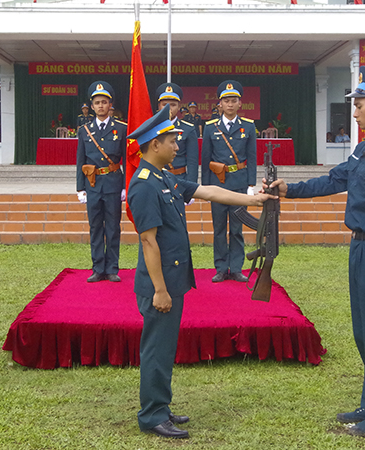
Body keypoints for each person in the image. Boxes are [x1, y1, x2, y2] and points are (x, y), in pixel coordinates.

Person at [268, 67, 365, 438]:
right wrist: (289, 189)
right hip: (359, 247)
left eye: (360, 104)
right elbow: (335, 180)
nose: (354, 111)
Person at [126, 104, 274, 440]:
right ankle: (151, 415)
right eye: (171, 142)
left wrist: (251, 200)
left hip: (173, 278)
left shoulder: (164, 176)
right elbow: (149, 242)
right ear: (154, 145)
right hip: (159, 283)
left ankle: (160, 407)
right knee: (156, 349)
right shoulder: (144, 185)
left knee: (164, 348)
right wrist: (160, 290)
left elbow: (207, 191)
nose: (178, 147)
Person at [201, 80, 257, 283]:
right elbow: (205, 158)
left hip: (239, 184)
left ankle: (236, 268)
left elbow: (252, 156)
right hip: (217, 184)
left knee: (237, 229)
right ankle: (220, 268)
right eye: (226, 101)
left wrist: (251, 184)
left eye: (234, 101)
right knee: (218, 229)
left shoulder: (248, 127)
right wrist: (205, 187)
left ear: (239, 103)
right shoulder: (210, 127)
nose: (230, 104)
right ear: (220, 104)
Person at [76, 81, 127, 283]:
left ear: (110, 105)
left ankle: (112, 267)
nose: (100, 106)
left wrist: (125, 185)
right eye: (97, 102)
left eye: (104, 102)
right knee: (95, 226)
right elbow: (81, 161)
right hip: (93, 184)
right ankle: (98, 267)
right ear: (92, 105)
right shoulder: (84, 130)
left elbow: (125, 158)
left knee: (113, 227)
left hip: (114, 183)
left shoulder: (121, 129)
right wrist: (80, 188)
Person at [155, 82, 199, 183]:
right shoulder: (151, 128)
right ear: (159, 106)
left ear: (179, 107)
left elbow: (192, 162)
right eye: (164, 105)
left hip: (179, 179)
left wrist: (191, 188)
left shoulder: (188, 129)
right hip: (156, 180)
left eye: (173, 105)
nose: (168, 108)